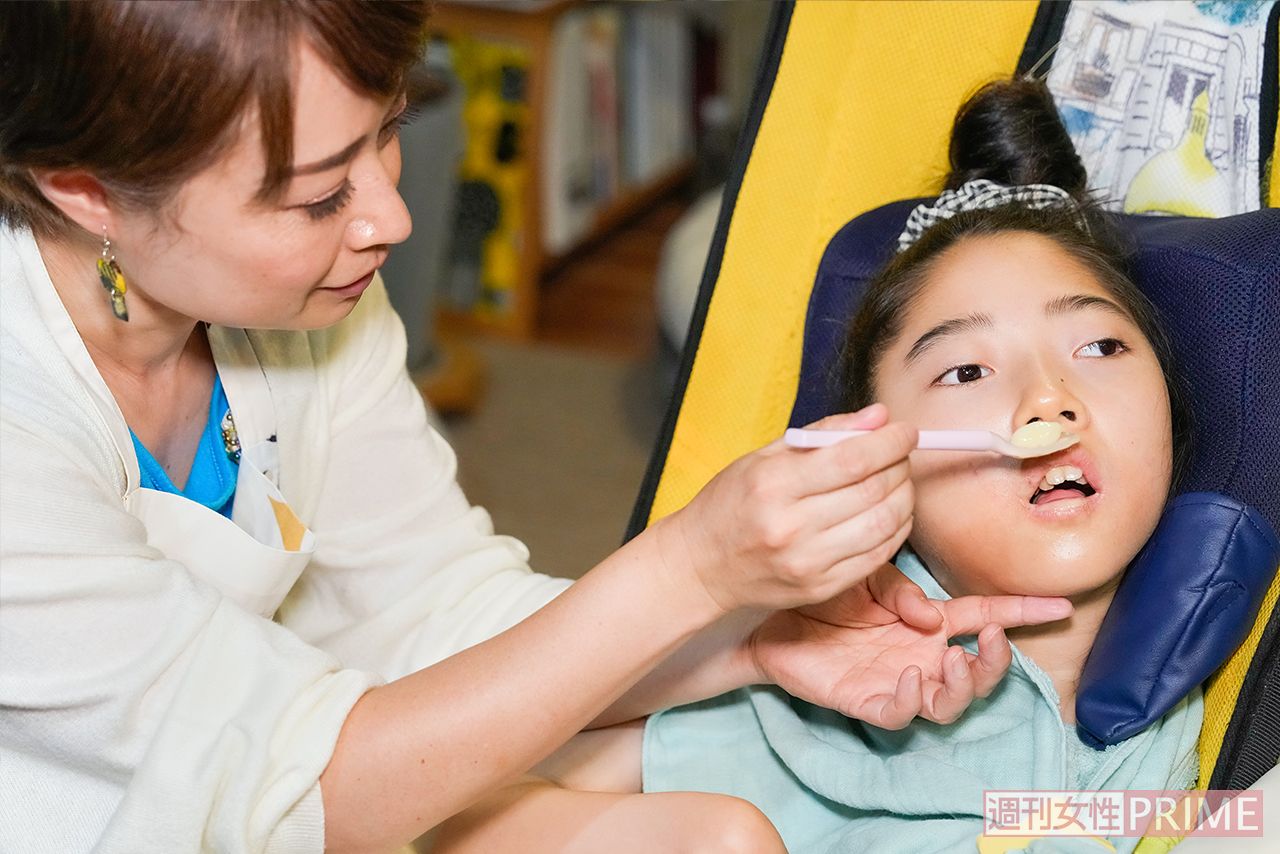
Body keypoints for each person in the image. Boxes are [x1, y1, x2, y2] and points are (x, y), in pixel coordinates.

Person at [0, 5, 1073, 853]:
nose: (388, 219)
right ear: (86, 190)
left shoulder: (300, 305)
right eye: (318, 197)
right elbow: (306, 790)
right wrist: (691, 572)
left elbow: (435, 615)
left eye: (387, 136)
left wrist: (745, 635)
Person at [431, 80, 1204, 854]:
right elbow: (453, 815)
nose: (1048, 399)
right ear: (879, 458)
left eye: (1100, 347)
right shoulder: (799, 689)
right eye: (966, 372)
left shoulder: (1196, 671)